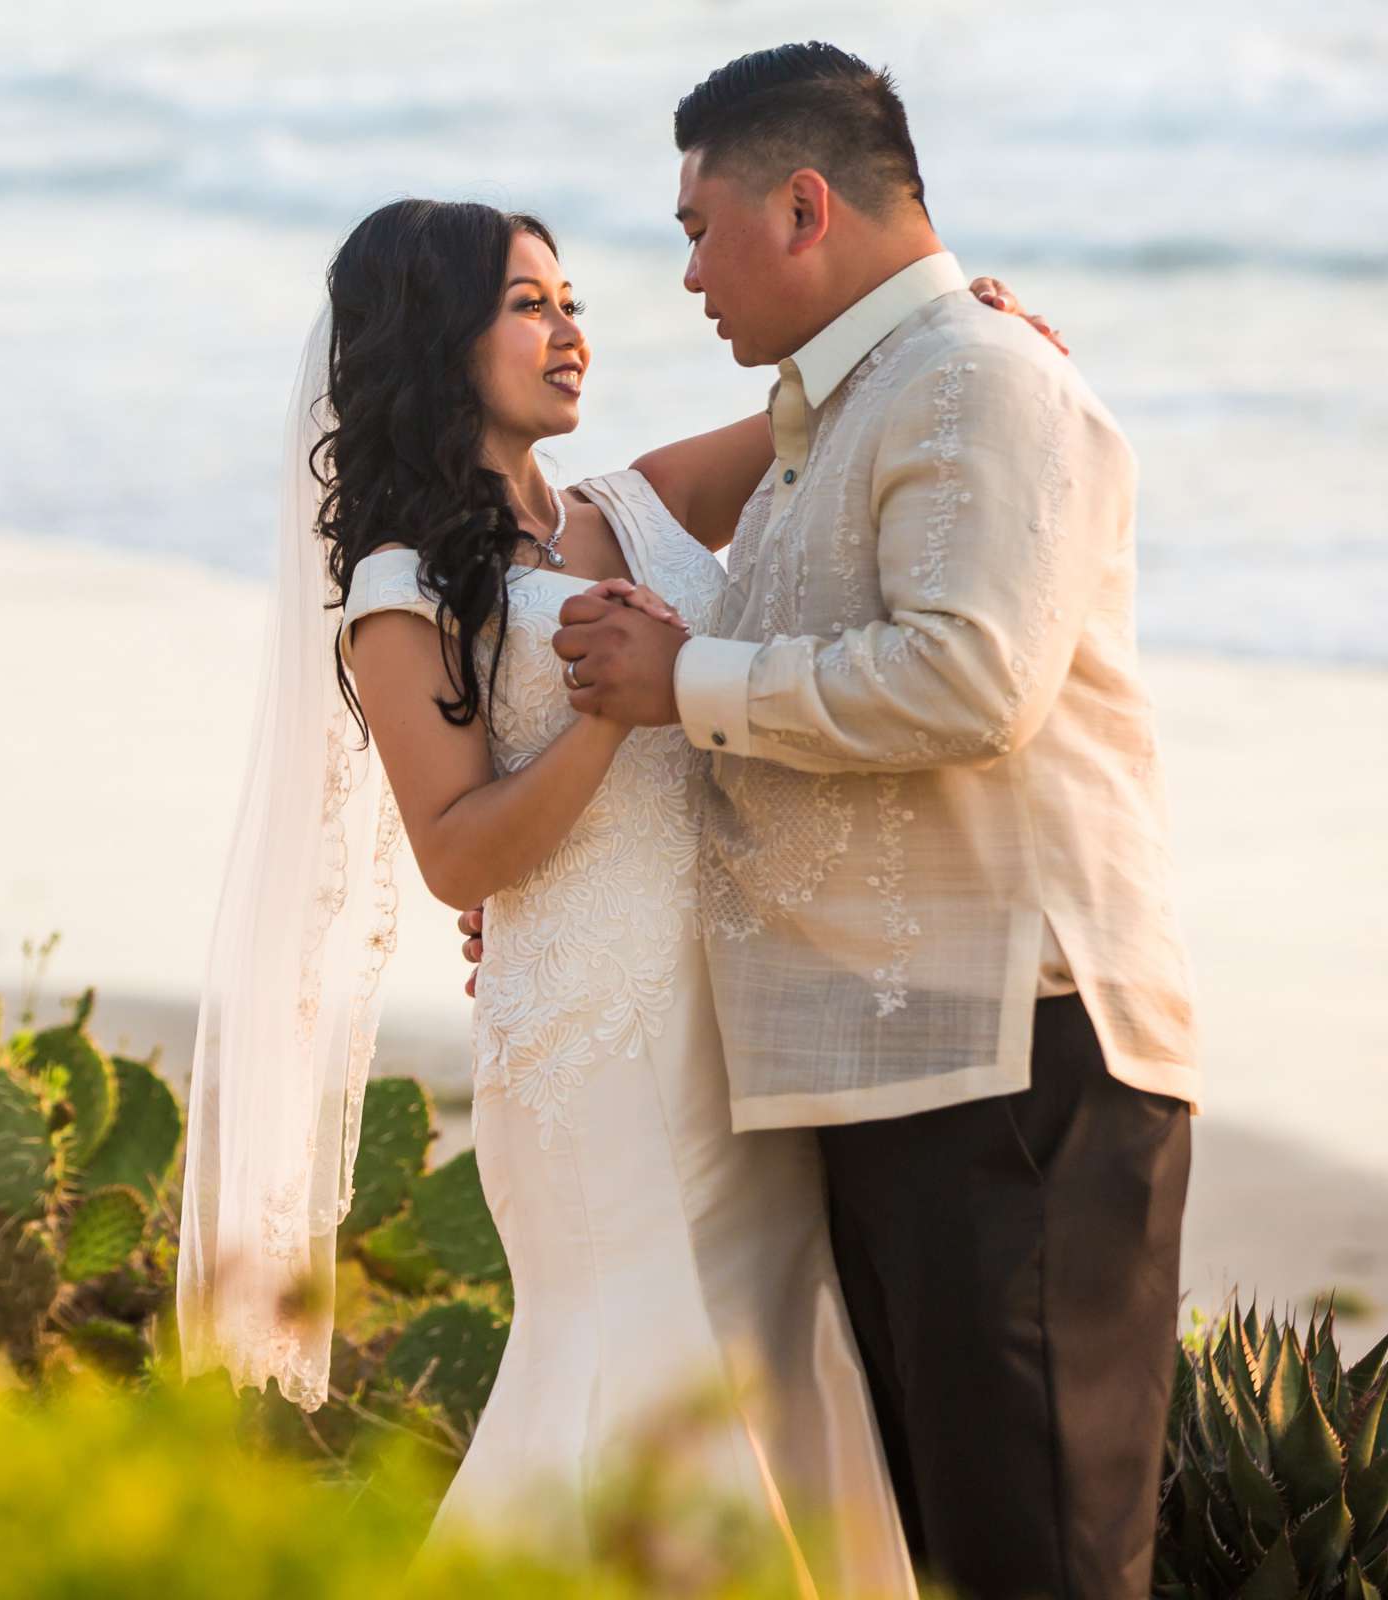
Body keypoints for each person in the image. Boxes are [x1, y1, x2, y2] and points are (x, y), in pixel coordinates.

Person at [179, 185, 1061, 1587]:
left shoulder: (635, 503)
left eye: (574, 302)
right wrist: (611, 709)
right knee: (638, 1371)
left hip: (737, 1022)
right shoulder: (403, 588)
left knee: (769, 1353)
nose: (571, 332)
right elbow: (459, 852)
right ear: (432, 339)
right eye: (529, 306)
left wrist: (967, 332)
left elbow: (831, 403)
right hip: (590, 1047)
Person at [516, 42, 1204, 1600]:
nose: (684, 272)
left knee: (1040, 1563)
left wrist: (688, 677)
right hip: (903, 1070)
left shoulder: (983, 378)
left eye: (699, 225)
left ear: (804, 206)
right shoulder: (842, 409)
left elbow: (970, 682)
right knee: (962, 1559)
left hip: (1020, 1057)